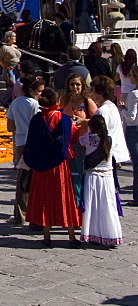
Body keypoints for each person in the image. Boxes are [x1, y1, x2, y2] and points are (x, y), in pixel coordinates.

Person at [23, 87, 81, 248]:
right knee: (65, 198)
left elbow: (31, 141)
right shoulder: (64, 119)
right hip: (60, 165)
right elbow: (74, 136)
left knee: (45, 199)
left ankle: (47, 236)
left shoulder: (36, 119)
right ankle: (71, 236)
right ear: (57, 101)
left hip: (41, 165)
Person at [80, 115, 123, 248]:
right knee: (108, 207)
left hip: (92, 176)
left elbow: (81, 144)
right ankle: (111, 235)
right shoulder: (109, 140)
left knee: (92, 207)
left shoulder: (87, 138)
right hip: (108, 177)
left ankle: (93, 234)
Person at [6, 74, 44, 225]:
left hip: (20, 142)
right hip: (33, 143)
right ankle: (29, 212)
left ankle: (20, 213)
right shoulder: (34, 105)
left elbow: (10, 126)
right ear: (31, 90)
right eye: (39, 91)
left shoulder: (15, 103)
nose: (41, 94)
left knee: (22, 179)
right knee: (33, 179)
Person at [59, 73, 97, 207]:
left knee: (81, 172)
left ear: (82, 86)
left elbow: (97, 120)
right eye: (72, 84)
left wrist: (83, 121)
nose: (75, 87)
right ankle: (71, 201)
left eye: (78, 84)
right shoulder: (64, 100)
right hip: (68, 141)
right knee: (68, 173)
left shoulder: (87, 101)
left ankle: (84, 202)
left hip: (82, 142)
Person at [90, 76, 131, 191]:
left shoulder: (102, 111)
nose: (91, 94)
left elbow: (101, 132)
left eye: (92, 90)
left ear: (99, 92)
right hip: (113, 150)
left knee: (111, 186)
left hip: (108, 151)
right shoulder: (111, 107)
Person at [122, 69, 138, 206]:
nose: (130, 77)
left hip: (134, 130)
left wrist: (122, 109)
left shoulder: (133, 94)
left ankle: (137, 195)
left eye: (132, 75)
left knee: (136, 164)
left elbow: (131, 117)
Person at [0, 30, 21, 98]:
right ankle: (6, 100)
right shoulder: (4, 48)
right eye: (13, 36)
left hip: (17, 68)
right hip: (9, 68)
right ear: (8, 38)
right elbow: (0, 59)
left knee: (18, 84)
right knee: (12, 85)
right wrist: (5, 67)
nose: (15, 38)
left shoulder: (15, 47)